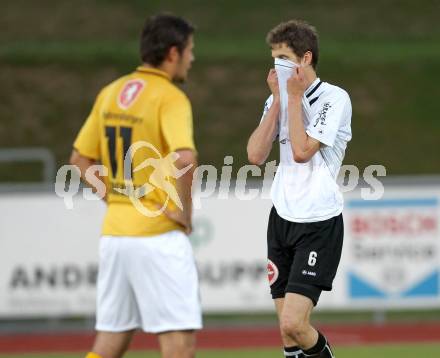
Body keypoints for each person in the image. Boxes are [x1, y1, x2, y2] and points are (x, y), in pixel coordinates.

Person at [70, 14, 201, 358]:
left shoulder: (110, 92)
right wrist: (184, 215)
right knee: (179, 348)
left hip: (115, 237)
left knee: (109, 344)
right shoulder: (170, 97)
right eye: (189, 50)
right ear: (173, 53)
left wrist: (116, 198)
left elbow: (79, 160)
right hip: (158, 236)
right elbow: (185, 160)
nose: (192, 58)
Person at [247, 20, 352, 358]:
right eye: (273, 57)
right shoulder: (276, 99)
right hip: (282, 219)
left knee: (295, 323)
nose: (276, 64)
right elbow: (255, 156)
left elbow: (303, 151)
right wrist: (278, 100)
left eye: (283, 57)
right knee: (286, 335)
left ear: (305, 59)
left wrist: (292, 99)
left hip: (318, 222)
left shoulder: (333, 98)